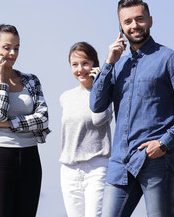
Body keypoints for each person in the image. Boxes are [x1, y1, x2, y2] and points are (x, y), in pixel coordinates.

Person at [90, 0, 174, 216]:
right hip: (120, 163)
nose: (134, 25)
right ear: (121, 27)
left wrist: (164, 143)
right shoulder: (117, 66)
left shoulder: (171, 60)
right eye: (127, 22)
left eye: (139, 19)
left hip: (157, 161)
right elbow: (96, 105)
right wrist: (108, 63)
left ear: (150, 21)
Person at [0, 24, 51, 217]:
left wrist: (7, 124)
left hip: (31, 158)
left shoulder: (31, 80)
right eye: (7, 47)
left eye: (17, 48)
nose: (12, 53)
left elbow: (43, 119)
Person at [59, 42, 112, 217]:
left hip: (96, 168)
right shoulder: (65, 97)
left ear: (94, 64)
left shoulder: (106, 94)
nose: (80, 69)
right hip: (69, 169)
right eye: (75, 64)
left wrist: (100, 85)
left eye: (85, 63)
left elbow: (98, 119)